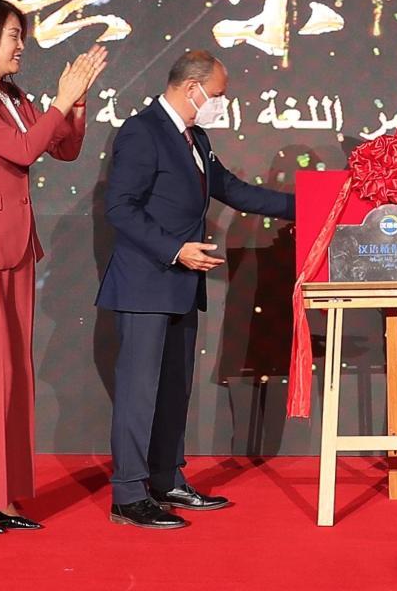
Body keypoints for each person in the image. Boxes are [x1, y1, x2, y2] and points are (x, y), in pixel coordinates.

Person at [97, 50, 295, 529]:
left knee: (173, 390)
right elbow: (120, 207)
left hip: (181, 286)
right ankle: (129, 495)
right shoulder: (142, 132)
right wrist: (175, 250)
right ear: (192, 88)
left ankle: (166, 479)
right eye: (218, 95)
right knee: (139, 392)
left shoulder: (196, 138)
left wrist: (315, 202)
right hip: (146, 283)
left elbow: (235, 190)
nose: (221, 104)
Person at [0, 0, 106, 533]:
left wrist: (76, 105)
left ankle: (4, 494)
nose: (21, 46)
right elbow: (21, 150)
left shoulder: (12, 96)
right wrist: (60, 99)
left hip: (17, 246)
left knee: (16, 372)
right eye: (14, 35)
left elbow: (63, 149)